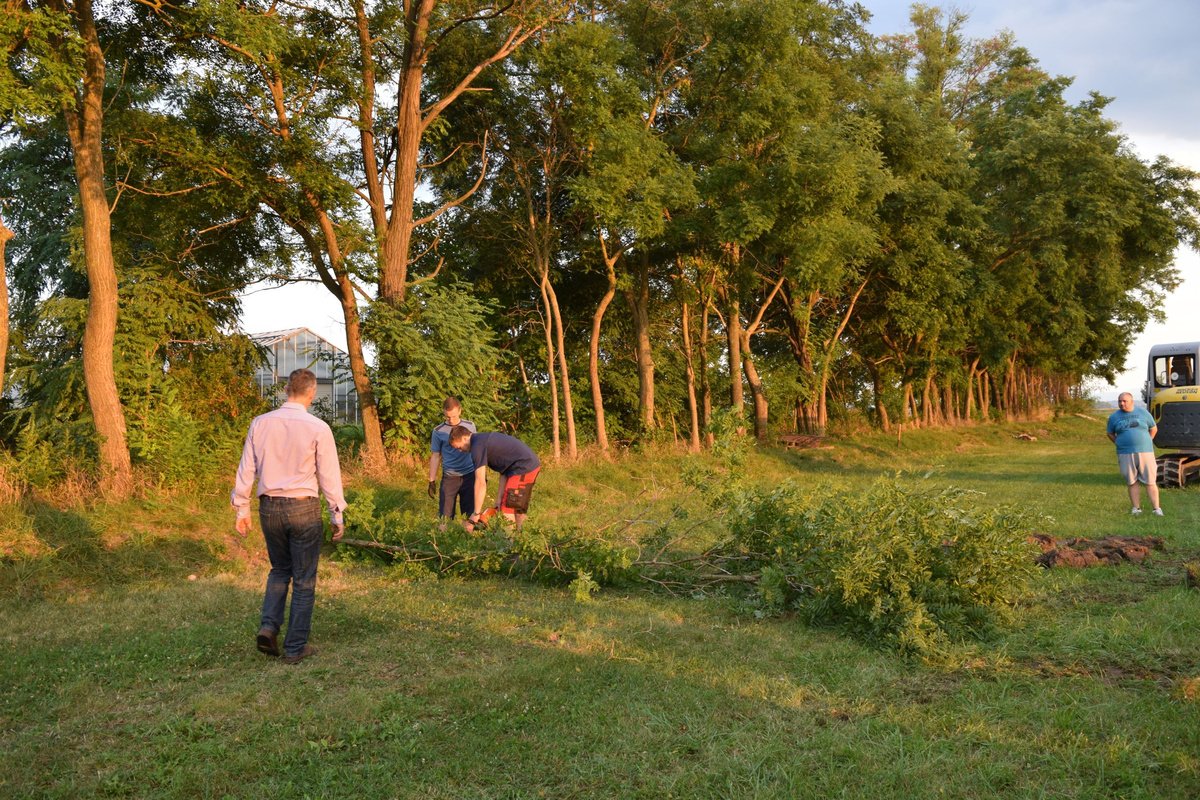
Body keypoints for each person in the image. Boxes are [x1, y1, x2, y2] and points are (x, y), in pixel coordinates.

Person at [232, 368, 346, 664]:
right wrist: (337, 514)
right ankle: (295, 647)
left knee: (280, 569)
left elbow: (246, 469)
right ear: (312, 393)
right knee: (304, 578)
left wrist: (242, 508)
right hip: (303, 507)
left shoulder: (260, 423)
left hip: (269, 506)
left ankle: (269, 627)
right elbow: (329, 475)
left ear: (286, 390)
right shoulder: (318, 427)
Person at [448, 427, 541, 532]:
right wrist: (499, 499)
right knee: (517, 508)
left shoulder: (477, 447)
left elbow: (480, 482)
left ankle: (508, 541)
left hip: (523, 467)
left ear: (464, 438)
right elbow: (504, 471)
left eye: (459, 447)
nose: (460, 451)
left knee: (507, 509)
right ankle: (523, 536)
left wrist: (476, 514)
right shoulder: (481, 440)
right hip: (527, 465)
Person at [1106, 391, 1162, 516]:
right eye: (1120, 401)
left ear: (1131, 401)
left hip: (1145, 452)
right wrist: (1118, 442)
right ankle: (1136, 509)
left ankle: (1156, 509)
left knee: (1150, 481)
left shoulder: (1143, 413)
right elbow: (1110, 433)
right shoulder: (1114, 417)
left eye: (1124, 401)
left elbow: (1153, 428)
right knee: (1132, 481)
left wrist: (1147, 441)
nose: (1122, 403)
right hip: (1125, 453)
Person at [427, 397, 477, 524]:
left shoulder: (470, 426)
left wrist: (481, 474)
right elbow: (435, 456)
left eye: (454, 416)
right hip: (450, 477)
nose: (451, 420)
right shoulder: (438, 431)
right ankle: (444, 535)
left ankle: (468, 535)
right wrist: (431, 480)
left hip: (469, 476)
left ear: (459, 411)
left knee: (469, 514)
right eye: (448, 417)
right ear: (444, 413)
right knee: (445, 516)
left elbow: (476, 449)